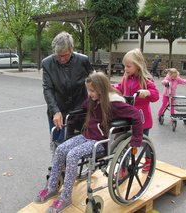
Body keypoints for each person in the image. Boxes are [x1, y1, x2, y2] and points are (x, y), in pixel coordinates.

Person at [34, 72, 143, 213]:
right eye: (88, 90)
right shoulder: (94, 100)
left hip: (101, 142)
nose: (89, 93)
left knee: (72, 155)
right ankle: (52, 188)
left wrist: (136, 140)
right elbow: (84, 106)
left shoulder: (114, 103)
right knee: (61, 149)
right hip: (87, 136)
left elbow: (135, 115)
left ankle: (66, 197)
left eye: (92, 90)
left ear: (102, 89)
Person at [42, 31, 93, 145]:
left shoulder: (82, 60)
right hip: (58, 110)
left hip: (79, 111)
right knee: (57, 143)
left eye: (65, 55)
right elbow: (48, 89)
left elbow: (95, 81)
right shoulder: (47, 63)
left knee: (77, 144)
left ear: (71, 50)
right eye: (58, 56)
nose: (62, 59)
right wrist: (55, 111)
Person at [114, 48, 159, 172]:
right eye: (125, 66)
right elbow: (120, 88)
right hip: (127, 116)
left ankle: (149, 161)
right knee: (125, 143)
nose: (126, 69)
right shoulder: (126, 78)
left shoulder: (145, 80)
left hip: (141, 118)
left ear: (137, 66)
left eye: (128, 66)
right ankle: (123, 168)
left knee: (144, 141)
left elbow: (155, 95)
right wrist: (111, 87)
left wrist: (147, 92)